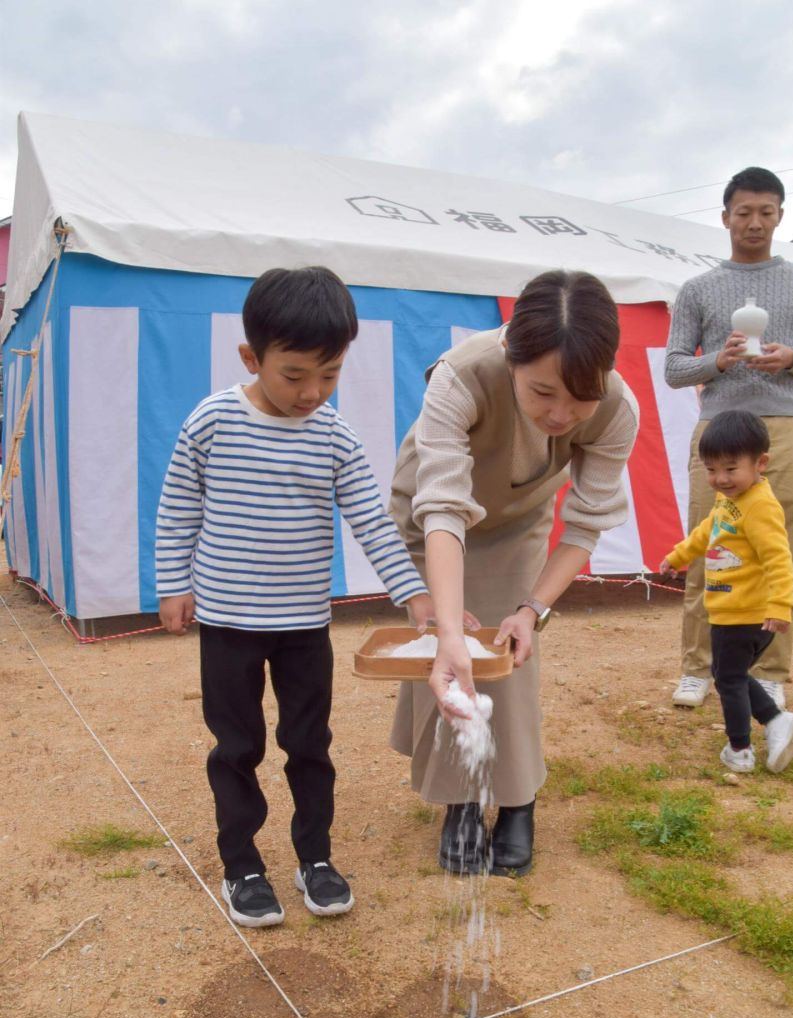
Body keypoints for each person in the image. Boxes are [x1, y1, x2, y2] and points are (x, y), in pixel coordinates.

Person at [156, 267, 430, 927]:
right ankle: (242, 863)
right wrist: (172, 583)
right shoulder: (213, 420)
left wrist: (416, 596)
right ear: (252, 358)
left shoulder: (334, 437)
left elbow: (372, 520)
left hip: (304, 626)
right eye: (295, 375)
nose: (313, 392)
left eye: (330, 375)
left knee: (309, 743)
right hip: (227, 623)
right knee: (237, 747)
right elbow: (178, 506)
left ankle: (316, 857)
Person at [390, 270, 640, 876]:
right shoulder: (462, 373)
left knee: (506, 654)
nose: (561, 414)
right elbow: (444, 505)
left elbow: (584, 524)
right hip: (433, 513)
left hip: (519, 514)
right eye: (542, 392)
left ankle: (519, 797)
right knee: (448, 651)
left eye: (580, 397)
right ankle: (461, 800)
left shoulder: (616, 408)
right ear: (510, 354)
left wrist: (533, 609)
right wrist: (449, 626)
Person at [664, 166, 793, 710]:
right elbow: (674, 369)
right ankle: (698, 668)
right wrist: (715, 362)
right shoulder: (698, 288)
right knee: (708, 547)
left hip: (785, 427)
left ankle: (770, 671)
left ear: (781, 216)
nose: (755, 222)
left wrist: (792, 360)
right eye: (744, 212)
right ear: (724, 218)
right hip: (719, 432)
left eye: (766, 212)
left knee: (781, 552)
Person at [660, 411, 793, 773]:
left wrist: (781, 605)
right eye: (711, 470)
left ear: (761, 463)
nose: (719, 479)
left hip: (747, 613)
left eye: (730, 469)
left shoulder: (760, 506)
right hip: (728, 610)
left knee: (728, 679)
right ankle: (775, 720)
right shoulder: (730, 500)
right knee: (729, 674)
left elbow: (779, 559)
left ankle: (739, 749)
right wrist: (678, 556)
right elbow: (708, 531)